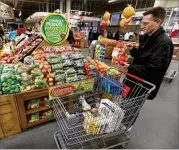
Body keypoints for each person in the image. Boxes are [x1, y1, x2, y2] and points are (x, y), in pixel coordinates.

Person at [123, 7, 173, 129]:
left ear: (157, 22)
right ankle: (121, 124)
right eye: (142, 22)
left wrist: (131, 67)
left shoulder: (164, 43)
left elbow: (154, 70)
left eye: (146, 23)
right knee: (125, 104)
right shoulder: (148, 38)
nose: (142, 26)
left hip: (142, 85)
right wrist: (133, 50)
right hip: (133, 80)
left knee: (132, 108)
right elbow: (143, 57)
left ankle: (125, 129)